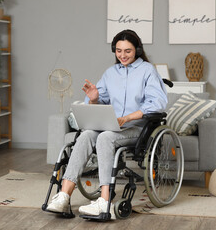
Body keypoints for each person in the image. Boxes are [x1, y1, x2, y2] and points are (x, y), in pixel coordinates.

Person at [46, 29, 168, 219]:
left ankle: (105, 201)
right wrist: (94, 99)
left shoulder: (147, 71)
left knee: (105, 137)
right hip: (112, 126)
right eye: (118, 50)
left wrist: (127, 118)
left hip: (137, 128)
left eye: (127, 50)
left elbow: (157, 103)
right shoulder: (111, 73)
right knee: (86, 135)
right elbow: (97, 102)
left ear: (136, 49)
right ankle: (63, 196)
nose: (122, 55)